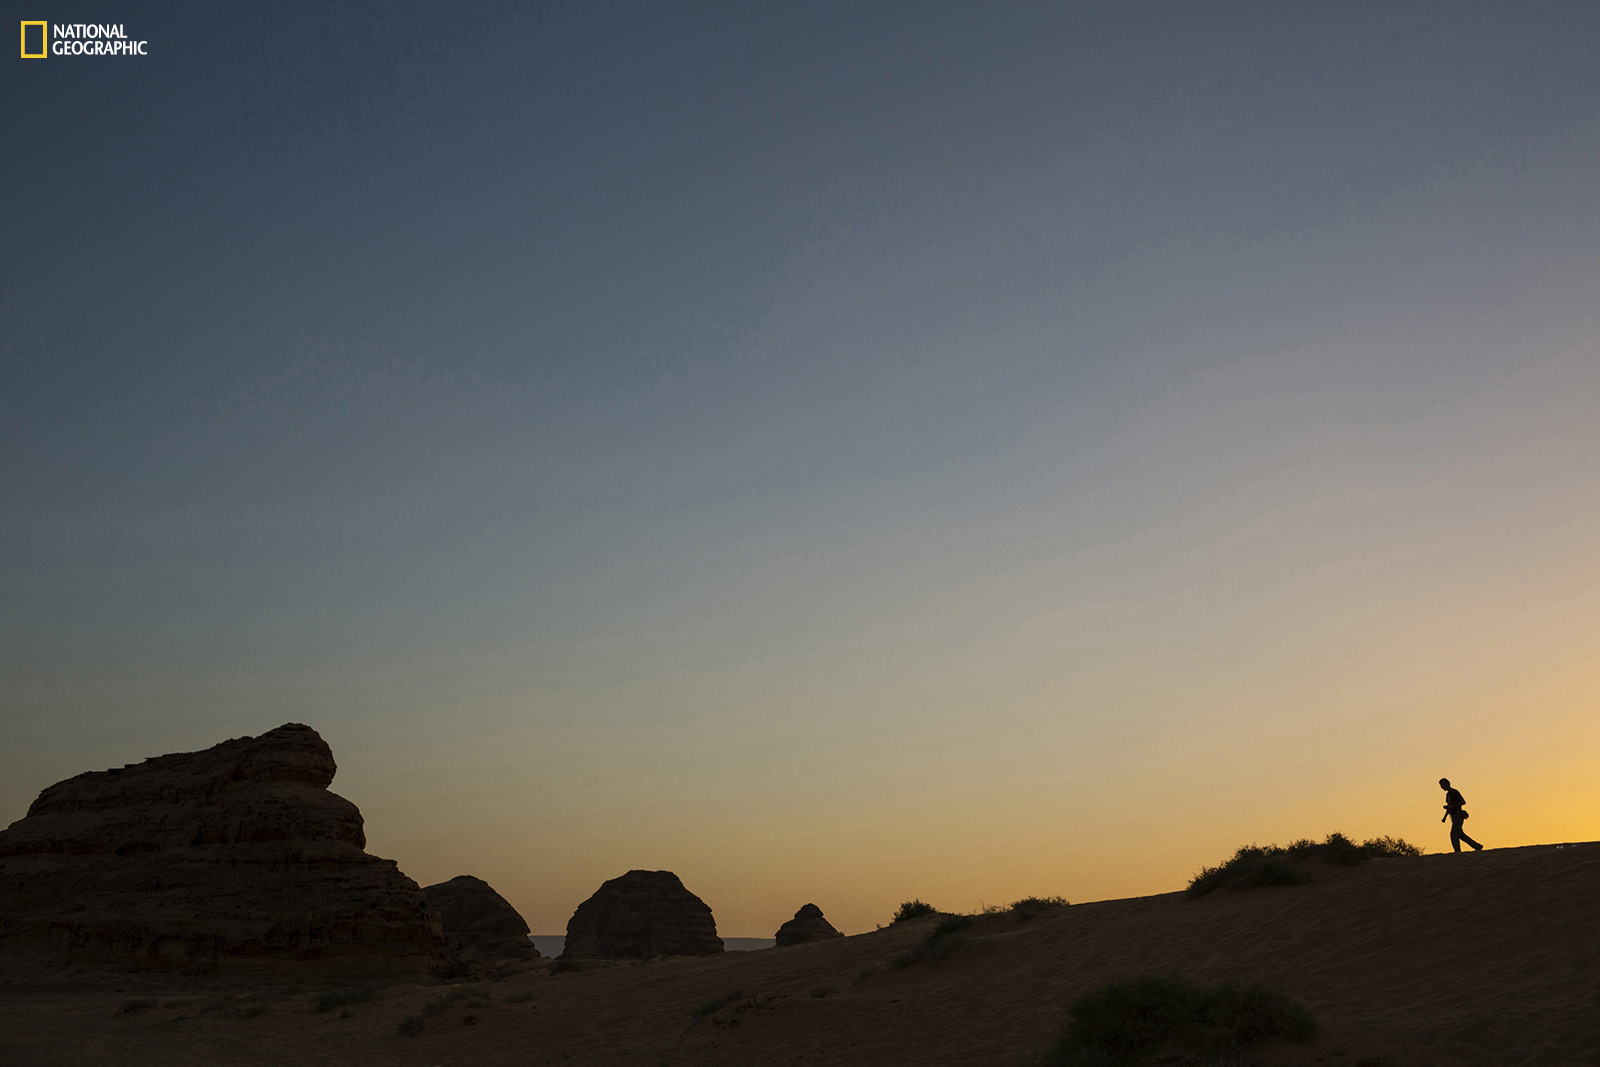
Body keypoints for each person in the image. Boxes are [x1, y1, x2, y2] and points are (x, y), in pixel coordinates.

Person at [1439, 778, 1483, 852]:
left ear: (1447, 784)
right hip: (1453, 817)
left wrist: (1452, 806)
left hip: (1458, 815)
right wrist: (1444, 817)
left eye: (1442, 785)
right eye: (1441, 785)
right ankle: (1477, 846)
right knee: (1461, 835)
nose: (1442, 787)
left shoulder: (1454, 792)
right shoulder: (1448, 794)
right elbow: (1449, 807)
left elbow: (1463, 802)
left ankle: (1457, 851)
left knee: (1454, 833)